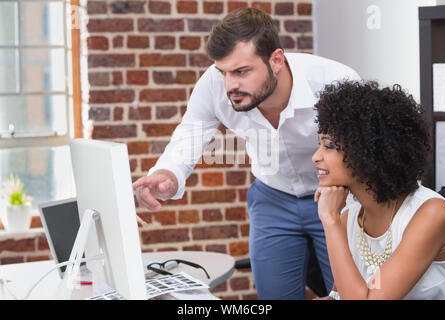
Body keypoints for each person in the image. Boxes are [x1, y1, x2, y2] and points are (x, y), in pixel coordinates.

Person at [132, 7, 360, 299]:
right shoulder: (215, 84)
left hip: (337, 198)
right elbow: (191, 133)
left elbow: (365, 156)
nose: (230, 85)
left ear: (276, 60)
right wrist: (167, 174)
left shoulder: (334, 81)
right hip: (272, 199)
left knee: (346, 294)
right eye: (223, 72)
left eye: (241, 71)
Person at [312, 80, 445, 299]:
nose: (315, 157)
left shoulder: (430, 214)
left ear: (365, 151)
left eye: (328, 145)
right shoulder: (350, 220)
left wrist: (329, 219)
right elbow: (340, 295)